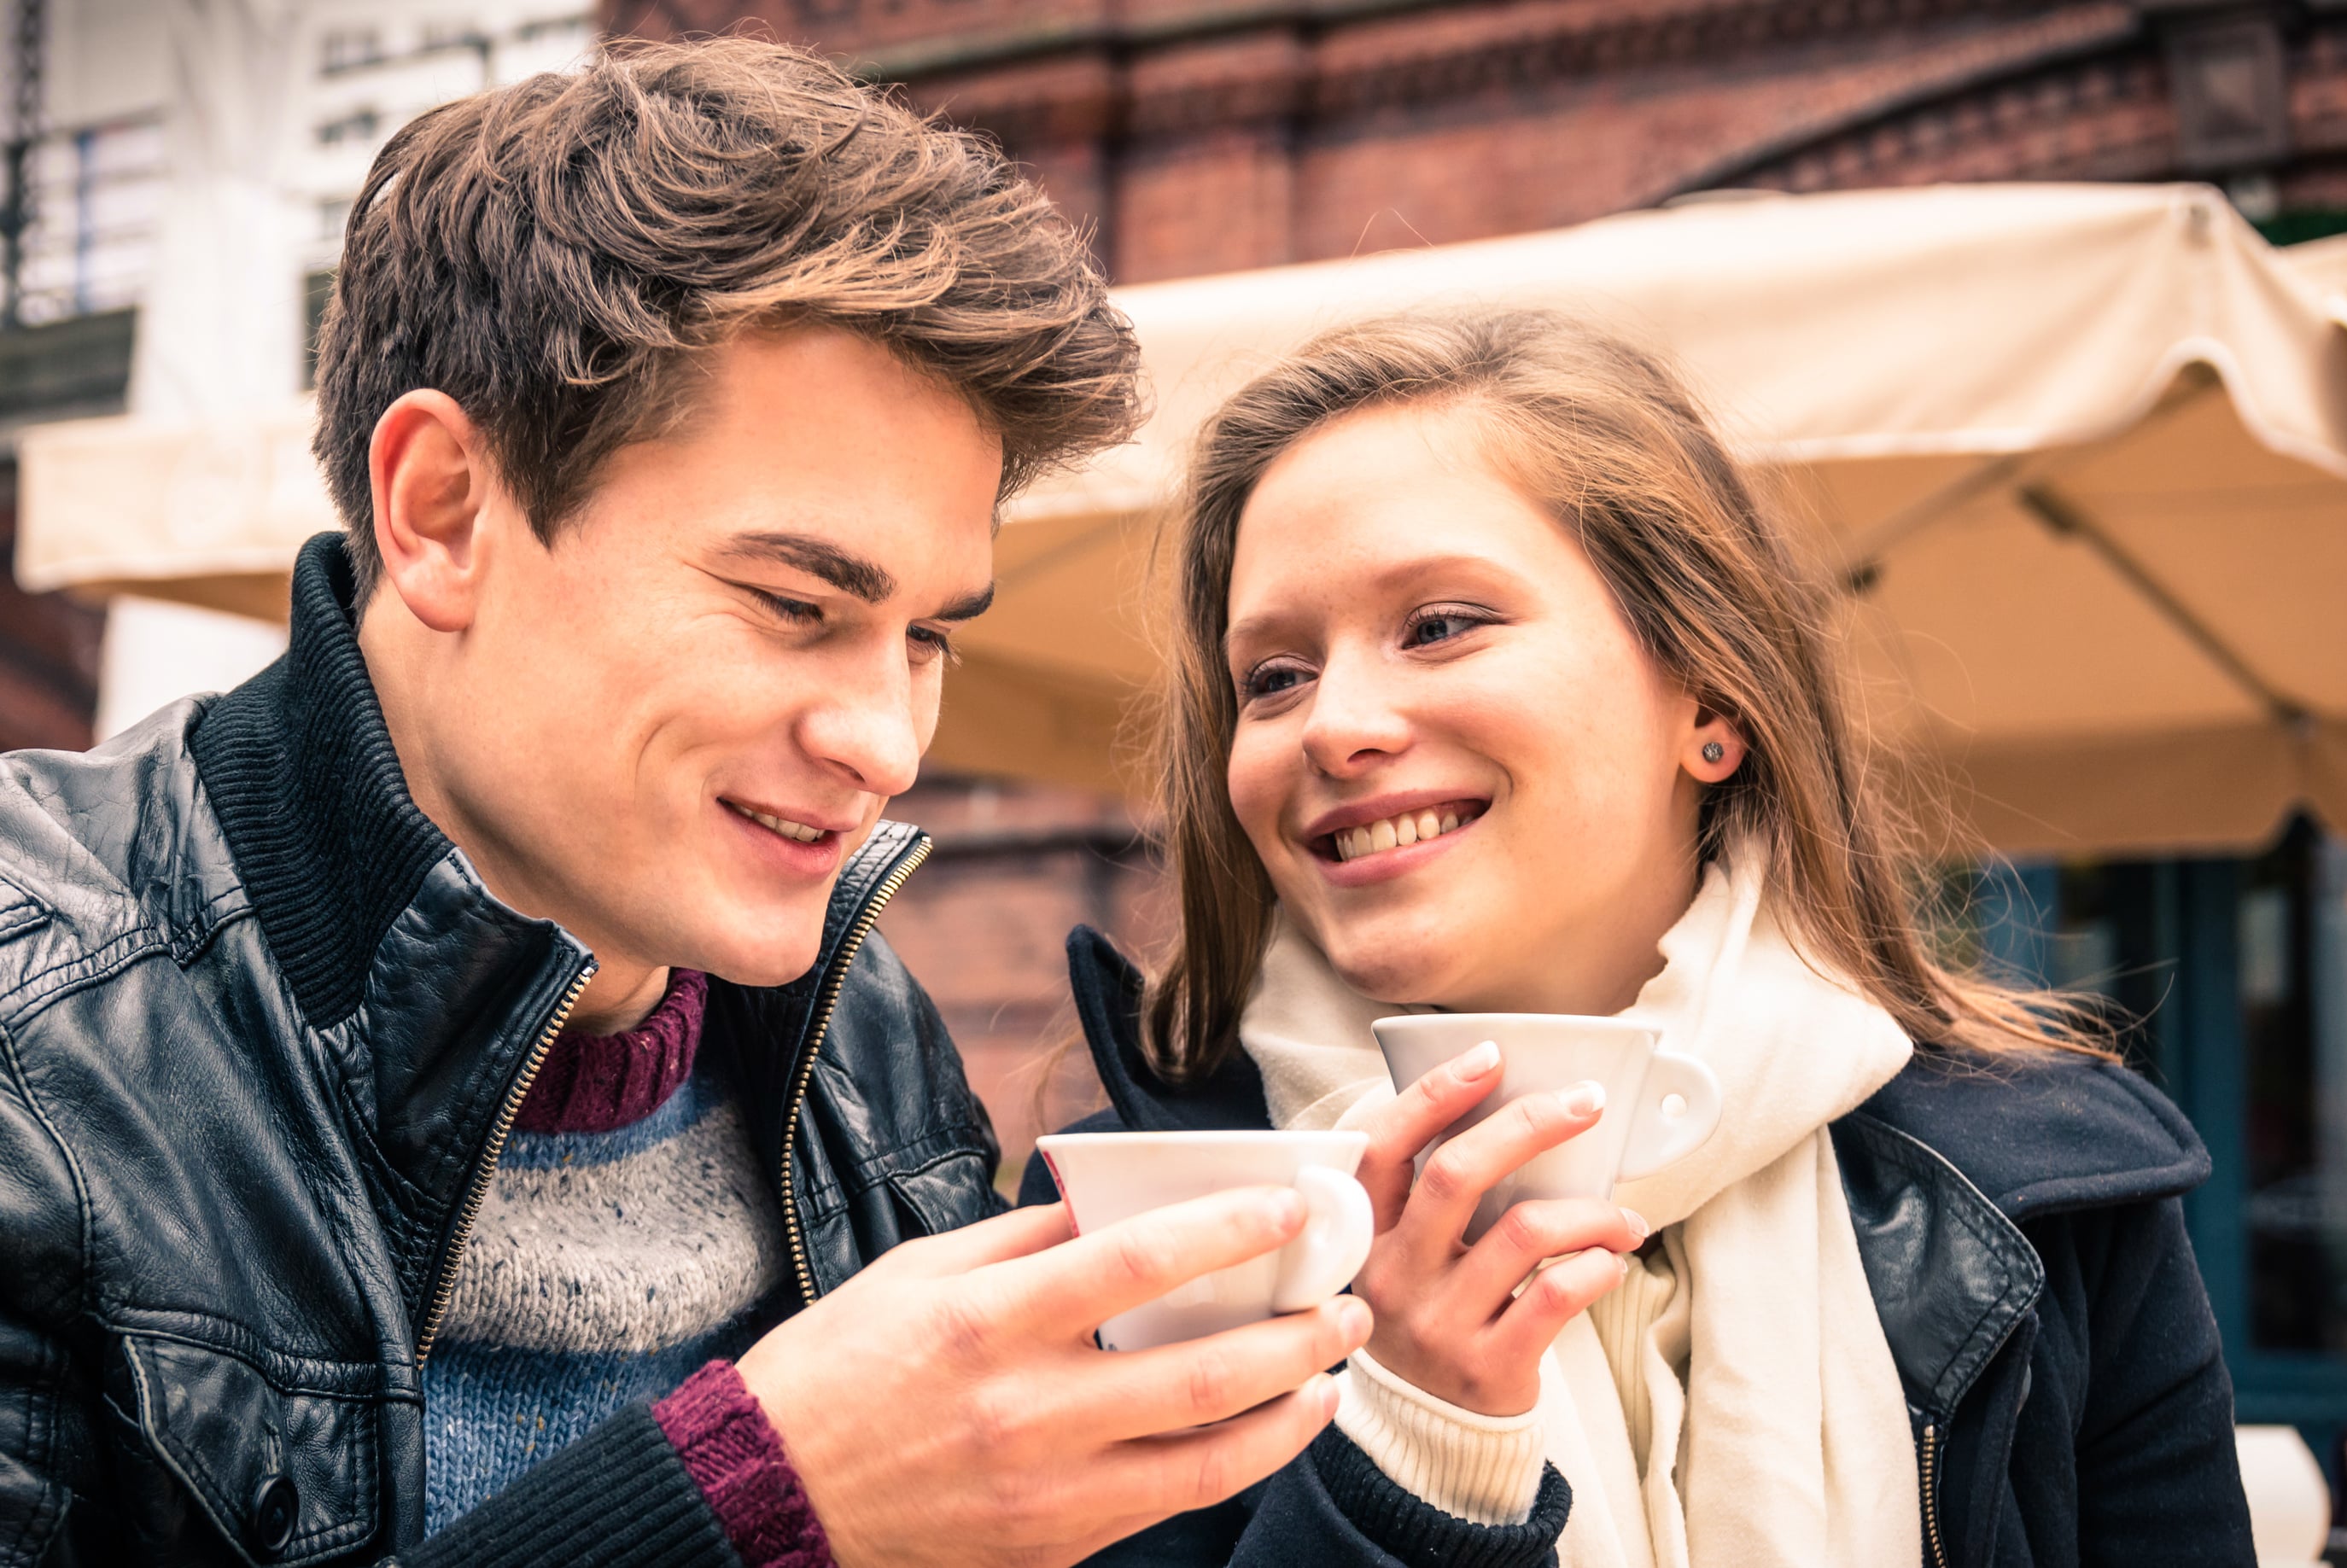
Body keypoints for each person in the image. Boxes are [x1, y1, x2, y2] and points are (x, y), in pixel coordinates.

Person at [0, 39, 1378, 1568]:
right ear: (444, 510)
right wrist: (751, 1502)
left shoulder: (858, 1034)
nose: (887, 741)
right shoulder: (32, 1034)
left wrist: (1424, 1429)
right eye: (796, 601)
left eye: (926, 635)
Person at [1024, 309, 2256, 1565]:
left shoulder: (2057, 1193)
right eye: (1272, 675)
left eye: (1440, 624)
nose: (1332, 724)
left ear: (1710, 701)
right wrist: (1412, 1447)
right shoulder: (1140, 1223)